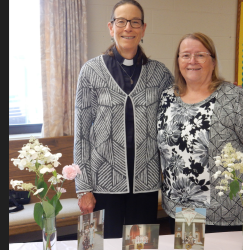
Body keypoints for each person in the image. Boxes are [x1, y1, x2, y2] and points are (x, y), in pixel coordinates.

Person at [156, 32, 243, 234]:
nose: (192, 61)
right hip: (183, 209)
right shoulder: (168, 97)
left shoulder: (234, 97)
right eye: (185, 55)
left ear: (213, 61)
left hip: (228, 211)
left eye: (200, 55)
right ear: (178, 62)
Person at [74, 0, 174, 239]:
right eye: (121, 21)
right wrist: (83, 188)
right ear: (111, 27)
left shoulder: (160, 74)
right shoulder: (91, 71)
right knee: (94, 245)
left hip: (145, 184)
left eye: (134, 22)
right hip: (100, 184)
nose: (128, 27)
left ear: (143, 28)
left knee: (142, 246)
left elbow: (176, 115)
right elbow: (81, 133)